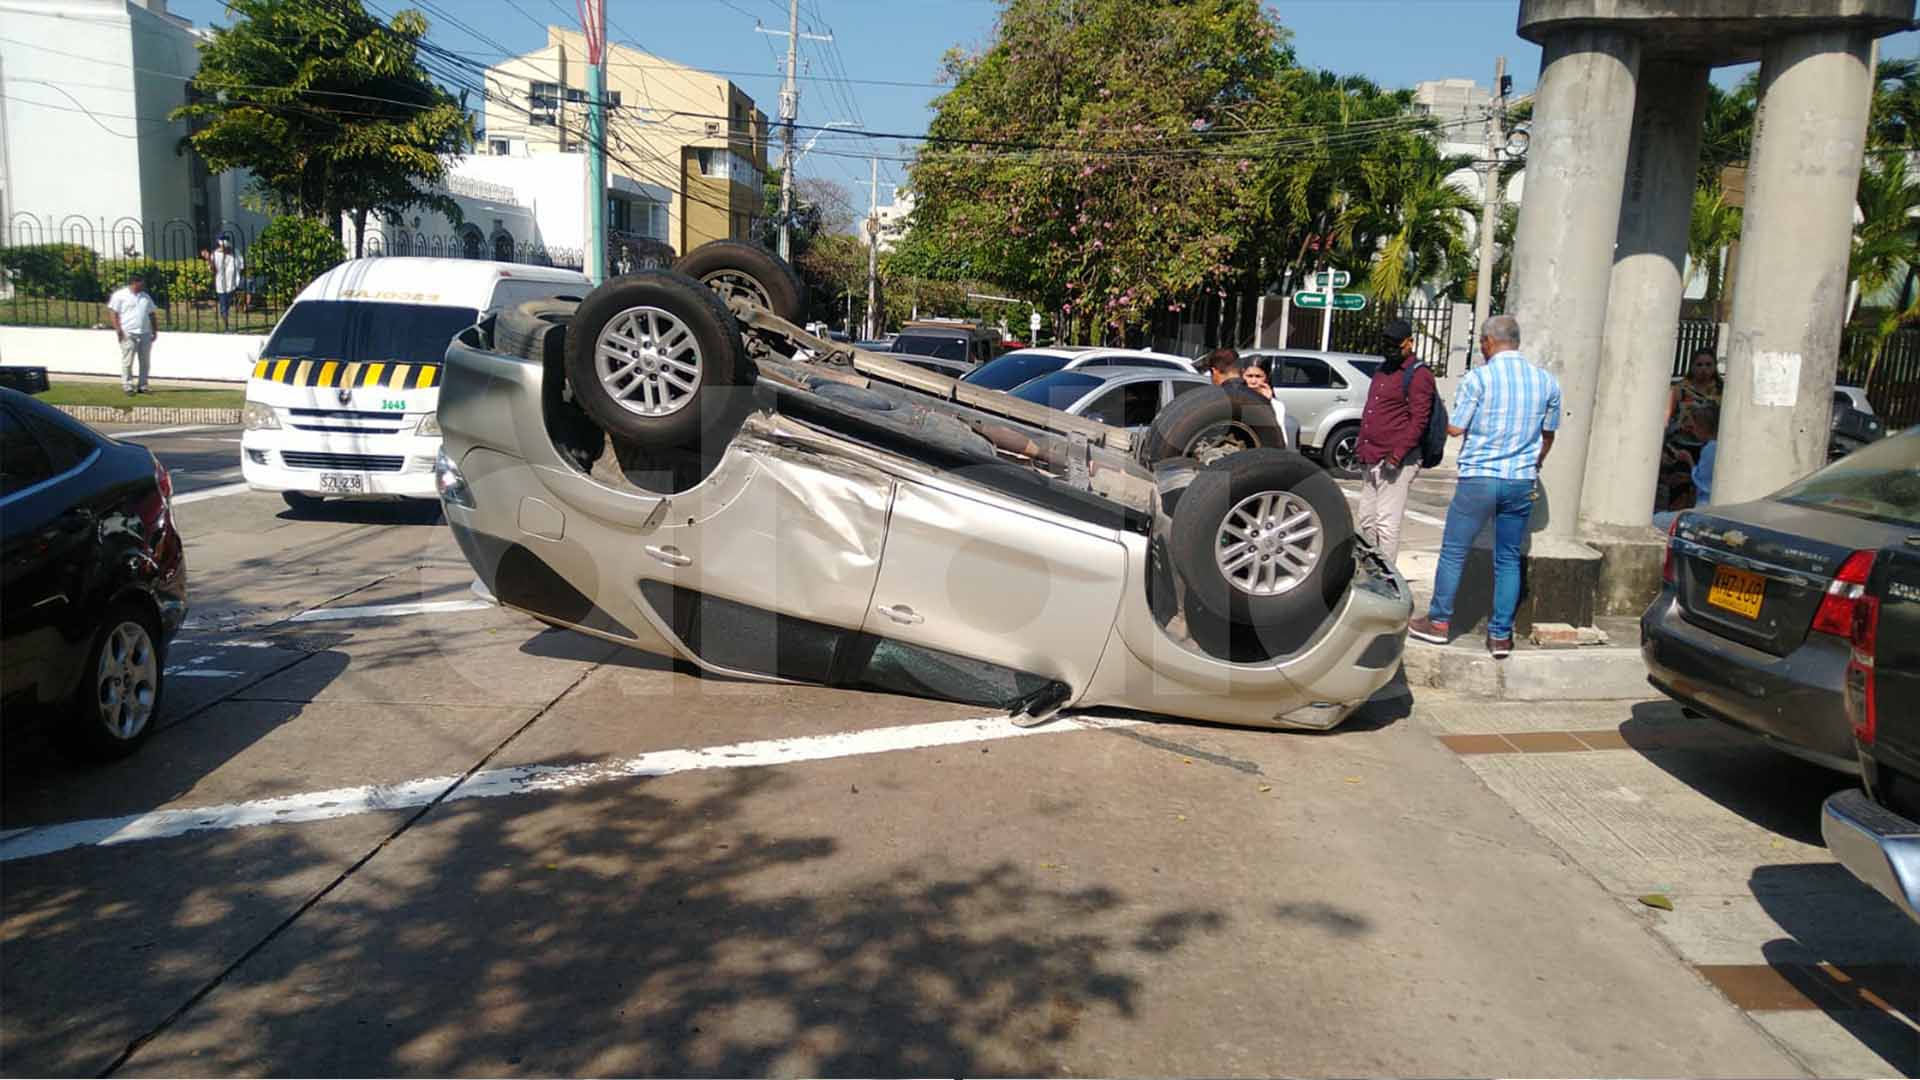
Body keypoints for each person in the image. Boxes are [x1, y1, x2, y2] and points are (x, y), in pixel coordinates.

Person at [1407, 315, 1561, 659]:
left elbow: (1457, 428)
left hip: (1479, 477)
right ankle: (1501, 635)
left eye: (1481, 341)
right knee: (1507, 557)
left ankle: (1439, 622)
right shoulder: (1546, 382)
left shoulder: (1479, 378)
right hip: (1520, 480)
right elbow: (1548, 435)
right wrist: (1535, 462)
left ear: (1488, 342)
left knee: (1454, 550)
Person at [1352, 318, 1436, 563]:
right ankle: (1371, 568)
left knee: (1386, 524)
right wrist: (1361, 446)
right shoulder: (1382, 370)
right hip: (1370, 456)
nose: (1390, 349)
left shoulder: (1418, 375)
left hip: (1396, 459)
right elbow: (1372, 410)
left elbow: (1419, 420)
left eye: (1395, 344)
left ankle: (1388, 578)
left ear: (1410, 342)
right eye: (1386, 344)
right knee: (1367, 520)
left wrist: (1397, 454)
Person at [1653, 404, 1718, 529]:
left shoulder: (1711, 448)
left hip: (1705, 507)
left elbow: (1703, 481)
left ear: (1703, 427)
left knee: (1657, 520)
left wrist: (1688, 459)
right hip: (1704, 505)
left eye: (1694, 427)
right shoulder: (1713, 446)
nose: (1693, 431)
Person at [106, 273, 158, 395]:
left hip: (145, 333)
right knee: (128, 360)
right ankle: (127, 385)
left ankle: (143, 385)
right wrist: (118, 329)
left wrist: (154, 330)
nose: (142, 285)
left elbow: (152, 314)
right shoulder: (120, 295)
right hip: (128, 332)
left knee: (145, 361)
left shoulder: (145, 296)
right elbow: (113, 312)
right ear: (134, 282)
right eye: (140, 282)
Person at [1237, 354, 1291, 446]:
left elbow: (1282, 439)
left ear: (1267, 377)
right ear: (1242, 375)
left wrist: (1266, 404)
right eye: (1249, 376)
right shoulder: (1235, 398)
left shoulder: (1276, 405)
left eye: (1258, 376)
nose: (1253, 381)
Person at [205, 236, 244, 330]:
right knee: (223, 306)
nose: (225, 249)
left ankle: (227, 321)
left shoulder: (236, 252)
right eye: (223, 247)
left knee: (227, 304)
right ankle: (226, 327)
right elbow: (213, 271)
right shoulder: (215, 254)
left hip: (234, 283)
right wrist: (209, 260)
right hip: (221, 284)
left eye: (226, 247)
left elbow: (242, 267)